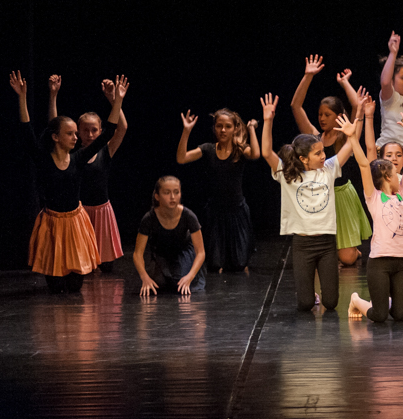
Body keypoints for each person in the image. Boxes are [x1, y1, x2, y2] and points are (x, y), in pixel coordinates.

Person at [11, 71, 127, 293]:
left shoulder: (79, 158)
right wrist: (22, 98)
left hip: (75, 223)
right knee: (56, 287)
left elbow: (109, 133)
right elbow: (26, 132)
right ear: (55, 137)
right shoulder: (43, 160)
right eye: (71, 134)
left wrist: (117, 99)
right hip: (53, 224)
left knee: (74, 287)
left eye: (76, 133)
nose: (77, 138)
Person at [260, 92, 355, 311]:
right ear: (303, 159)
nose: (324, 156)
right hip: (303, 245)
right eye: (318, 154)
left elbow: (350, 146)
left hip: (327, 244)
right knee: (304, 303)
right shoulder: (288, 175)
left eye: (323, 152)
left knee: (331, 302)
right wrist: (268, 120)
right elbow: (266, 151)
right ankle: (309, 293)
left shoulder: (329, 169)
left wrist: (352, 132)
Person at [290, 55, 371, 266]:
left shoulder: (346, 137)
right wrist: (308, 76)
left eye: (327, 114)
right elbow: (296, 106)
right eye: (320, 114)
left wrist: (345, 84)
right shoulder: (314, 138)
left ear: (338, 115)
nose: (322, 118)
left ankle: (352, 250)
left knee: (347, 260)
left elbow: (356, 108)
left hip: (341, 196)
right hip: (319, 197)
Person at [48, 76, 128, 272]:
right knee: (84, 267)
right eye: (85, 130)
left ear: (101, 131)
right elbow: (53, 128)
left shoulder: (106, 150)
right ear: (77, 132)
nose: (90, 134)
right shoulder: (71, 155)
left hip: (101, 212)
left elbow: (122, 128)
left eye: (94, 130)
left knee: (106, 267)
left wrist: (114, 99)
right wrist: (53, 95)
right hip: (80, 214)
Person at [175, 96, 259, 273]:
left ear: (235, 128)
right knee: (215, 265)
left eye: (228, 126)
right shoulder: (208, 149)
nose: (223, 130)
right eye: (219, 126)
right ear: (214, 128)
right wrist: (186, 131)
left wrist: (251, 129)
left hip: (237, 211)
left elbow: (256, 154)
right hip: (216, 213)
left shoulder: (240, 149)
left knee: (239, 264)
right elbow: (181, 158)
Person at [347, 112, 403, 322]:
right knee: (379, 316)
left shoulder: (400, 195)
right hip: (379, 262)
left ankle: (384, 302)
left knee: (400, 315)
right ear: (387, 177)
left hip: (401, 262)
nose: (400, 177)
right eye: (396, 174)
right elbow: (363, 165)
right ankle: (357, 300)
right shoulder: (374, 197)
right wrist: (352, 137)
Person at [364, 88, 403, 301]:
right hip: (385, 245)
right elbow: (370, 150)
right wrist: (369, 117)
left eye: (398, 155)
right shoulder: (378, 185)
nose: (394, 159)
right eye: (389, 155)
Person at [133, 176, 206, 295]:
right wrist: (144, 277)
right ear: (157, 196)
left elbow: (201, 252)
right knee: (158, 283)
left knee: (179, 281)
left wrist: (190, 277)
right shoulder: (149, 218)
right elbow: (137, 253)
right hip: (162, 252)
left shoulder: (188, 216)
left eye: (176, 192)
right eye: (167, 193)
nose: (172, 197)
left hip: (183, 251)